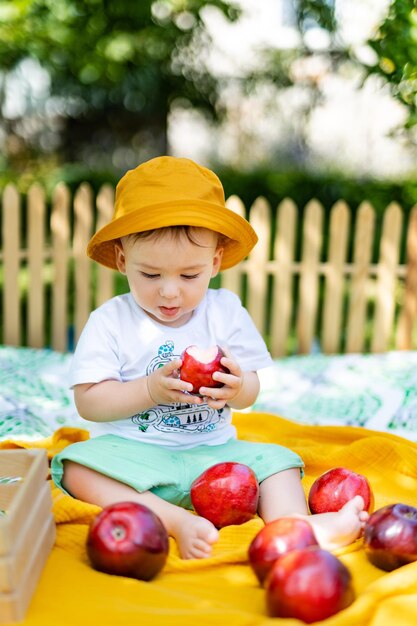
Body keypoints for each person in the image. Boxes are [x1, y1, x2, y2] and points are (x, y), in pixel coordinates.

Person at [51, 156, 368, 559]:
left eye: (189, 276)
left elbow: (250, 391)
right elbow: (89, 402)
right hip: (134, 457)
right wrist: (150, 390)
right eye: (151, 275)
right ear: (122, 260)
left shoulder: (226, 311)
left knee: (280, 462)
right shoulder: (110, 321)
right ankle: (171, 520)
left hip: (217, 458)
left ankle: (295, 526)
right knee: (76, 466)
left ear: (214, 263)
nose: (169, 293)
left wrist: (236, 387)